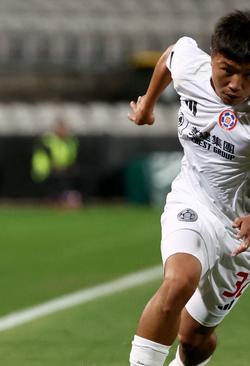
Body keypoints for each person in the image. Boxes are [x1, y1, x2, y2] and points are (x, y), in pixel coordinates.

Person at [127, 10, 250, 366]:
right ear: (213, 60)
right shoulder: (192, 68)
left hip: (239, 233)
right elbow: (169, 57)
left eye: (248, 76)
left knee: (194, 340)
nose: (236, 85)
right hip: (193, 198)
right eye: (227, 70)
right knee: (179, 280)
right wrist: (146, 106)